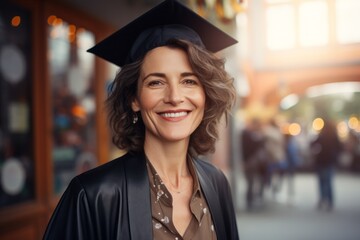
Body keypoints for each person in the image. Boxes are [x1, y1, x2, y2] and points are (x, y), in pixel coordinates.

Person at [43, 0, 239, 239]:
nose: (175, 97)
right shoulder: (93, 196)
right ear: (134, 98)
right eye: (156, 82)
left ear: (205, 94)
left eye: (189, 81)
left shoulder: (216, 183)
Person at [311, 119, 342, 211]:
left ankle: (322, 199)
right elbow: (340, 148)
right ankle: (330, 201)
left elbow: (312, 144)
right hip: (329, 161)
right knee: (328, 182)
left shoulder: (322, 135)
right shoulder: (334, 136)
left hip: (321, 161)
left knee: (322, 181)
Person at [240, 117, 267, 210]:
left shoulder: (252, 134)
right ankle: (250, 201)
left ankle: (252, 200)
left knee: (253, 182)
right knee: (251, 182)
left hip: (252, 162)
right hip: (251, 162)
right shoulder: (248, 134)